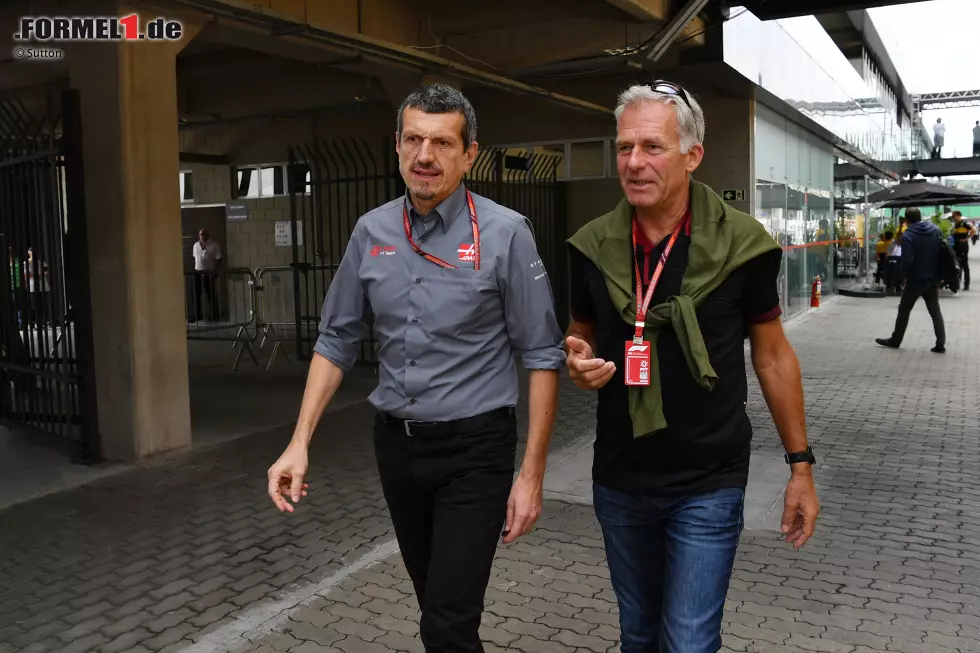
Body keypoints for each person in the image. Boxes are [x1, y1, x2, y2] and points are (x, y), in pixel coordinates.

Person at [266, 84, 565, 653]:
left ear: (469, 153)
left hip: (476, 452)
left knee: (447, 623)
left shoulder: (505, 234)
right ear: (397, 145)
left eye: (442, 142)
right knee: (435, 605)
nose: (425, 155)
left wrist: (531, 474)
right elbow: (336, 338)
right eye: (413, 139)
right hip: (397, 450)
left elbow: (543, 354)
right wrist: (298, 441)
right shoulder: (371, 231)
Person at [564, 80, 819, 653]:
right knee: (638, 633)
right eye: (624, 147)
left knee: (689, 641)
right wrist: (575, 357)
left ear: (692, 154)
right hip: (621, 478)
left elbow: (774, 356)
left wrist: (800, 466)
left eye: (652, 147)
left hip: (709, 480)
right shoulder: (590, 247)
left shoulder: (742, 247)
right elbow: (579, 332)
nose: (633, 162)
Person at [876, 208, 946, 353]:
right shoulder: (935, 230)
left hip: (916, 279)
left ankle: (896, 340)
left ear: (906, 220)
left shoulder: (908, 235)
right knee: (935, 310)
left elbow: (907, 259)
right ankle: (941, 343)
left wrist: (902, 277)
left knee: (904, 309)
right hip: (933, 278)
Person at [191, 227, 222, 321]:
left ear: (208, 235)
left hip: (209, 272)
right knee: (196, 295)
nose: (203, 236)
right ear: (199, 235)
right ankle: (197, 316)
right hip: (198, 272)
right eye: (201, 234)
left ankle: (215, 316)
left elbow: (219, 258)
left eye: (205, 234)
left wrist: (214, 271)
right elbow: (195, 258)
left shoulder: (214, 245)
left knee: (211, 295)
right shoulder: (196, 245)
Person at [951, 211, 975, 290]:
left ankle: (966, 284)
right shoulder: (955, 224)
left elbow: (973, 230)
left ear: (958, 216)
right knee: (958, 264)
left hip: (963, 246)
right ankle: (958, 282)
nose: (953, 218)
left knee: (964, 265)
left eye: (954, 217)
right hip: (956, 246)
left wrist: (966, 239)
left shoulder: (964, 223)